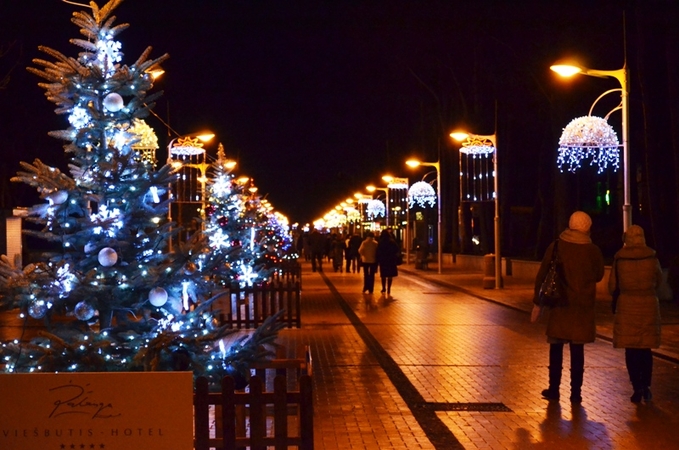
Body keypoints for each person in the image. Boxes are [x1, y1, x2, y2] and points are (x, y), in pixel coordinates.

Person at [532, 211, 604, 403]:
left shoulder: (556, 246)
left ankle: (554, 388)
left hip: (560, 304)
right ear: (587, 227)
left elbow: (542, 274)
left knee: (555, 348)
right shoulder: (593, 250)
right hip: (582, 307)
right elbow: (599, 275)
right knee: (577, 350)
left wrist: (537, 301)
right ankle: (576, 393)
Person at [608, 225, 662, 403]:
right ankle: (646, 386)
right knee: (645, 349)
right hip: (648, 306)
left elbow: (612, 286)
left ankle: (636, 387)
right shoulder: (652, 257)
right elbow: (659, 280)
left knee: (631, 350)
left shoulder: (620, 259)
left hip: (627, 307)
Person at [376, 229, 400, 295]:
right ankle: (389, 288)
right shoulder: (392, 242)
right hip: (391, 260)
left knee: (383, 275)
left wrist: (378, 259)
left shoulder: (380, 242)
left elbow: (378, 251)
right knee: (390, 275)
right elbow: (397, 250)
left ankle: (384, 288)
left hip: (383, 260)